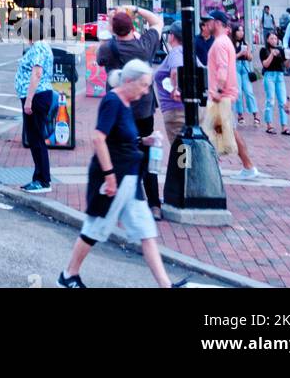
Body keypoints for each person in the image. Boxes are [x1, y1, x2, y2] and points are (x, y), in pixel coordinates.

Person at [58, 61, 186, 289]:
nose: (146, 91)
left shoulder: (125, 103)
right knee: (95, 227)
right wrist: (108, 176)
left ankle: (166, 285)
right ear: (129, 81)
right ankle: (69, 275)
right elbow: (99, 138)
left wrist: (143, 141)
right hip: (114, 178)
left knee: (146, 231)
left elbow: (120, 138)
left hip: (129, 179)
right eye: (143, 85)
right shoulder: (113, 101)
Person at [96, 6, 164, 215]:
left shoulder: (109, 48)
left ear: (114, 30)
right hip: (144, 109)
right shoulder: (144, 45)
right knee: (146, 152)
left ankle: (119, 199)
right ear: (133, 27)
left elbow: (100, 59)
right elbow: (157, 22)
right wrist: (136, 9)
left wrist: (110, 24)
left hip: (119, 109)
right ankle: (154, 204)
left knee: (117, 151)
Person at [202, 10, 261, 179]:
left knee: (214, 131)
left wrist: (218, 91)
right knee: (222, 130)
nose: (206, 24)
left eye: (209, 21)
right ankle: (246, 166)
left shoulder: (220, 43)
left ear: (218, 23)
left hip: (221, 95)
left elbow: (222, 69)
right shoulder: (225, 41)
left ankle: (239, 167)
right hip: (225, 95)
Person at [15, 17, 56, 194]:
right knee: (35, 138)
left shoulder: (39, 47)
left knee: (36, 139)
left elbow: (37, 74)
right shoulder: (41, 46)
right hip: (38, 96)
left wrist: (29, 100)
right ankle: (38, 177)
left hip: (37, 97)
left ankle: (43, 180)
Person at [153, 22, 185, 146]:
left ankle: (184, 166)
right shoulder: (187, 51)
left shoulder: (176, 52)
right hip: (182, 110)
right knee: (186, 150)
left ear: (172, 36)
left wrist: (176, 89)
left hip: (176, 111)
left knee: (181, 152)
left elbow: (176, 70)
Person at [260, 29, 290, 136]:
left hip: (280, 76)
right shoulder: (264, 50)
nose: (274, 40)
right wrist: (272, 54)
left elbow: (286, 66)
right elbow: (265, 65)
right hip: (269, 76)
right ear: (267, 40)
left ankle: (284, 126)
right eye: (271, 38)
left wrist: (288, 57)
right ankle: (269, 125)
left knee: (283, 101)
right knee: (270, 100)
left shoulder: (281, 50)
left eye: (275, 38)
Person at [232, 23, 261, 127]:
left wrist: (247, 53)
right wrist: (240, 54)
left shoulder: (246, 43)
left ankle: (255, 114)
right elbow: (230, 58)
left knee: (249, 92)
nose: (241, 33)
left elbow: (250, 58)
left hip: (245, 67)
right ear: (234, 32)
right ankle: (240, 114)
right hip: (235, 67)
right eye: (239, 31)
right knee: (238, 92)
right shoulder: (231, 43)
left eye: (242, 31)